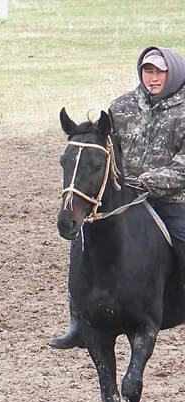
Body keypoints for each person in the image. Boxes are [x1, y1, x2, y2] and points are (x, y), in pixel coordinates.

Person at [51, 45, 185, 349]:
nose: (153, 78)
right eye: (147, 71)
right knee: (81, 243)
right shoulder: (121, 107)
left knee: (183, 239)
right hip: (123, 199)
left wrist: (149, 182)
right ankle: (79, 321)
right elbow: (106, 152)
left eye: (159, 72)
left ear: (173, 74)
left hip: (172, 199)